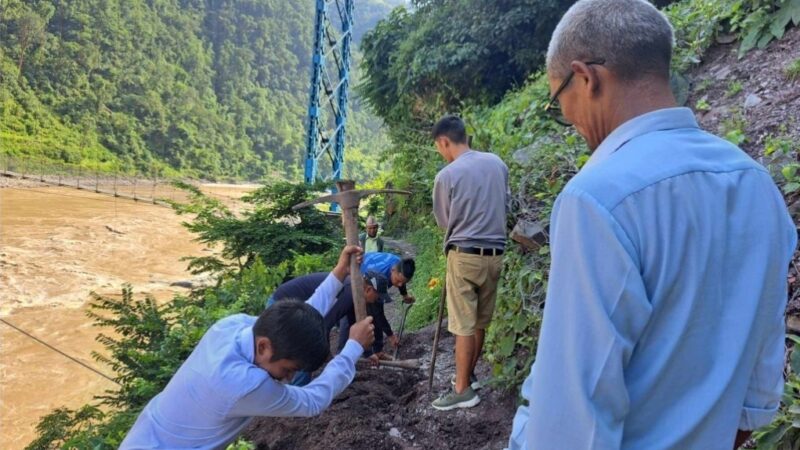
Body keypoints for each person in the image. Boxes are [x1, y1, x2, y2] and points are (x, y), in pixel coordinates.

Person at [506, 0, 797, 448]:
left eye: (559, 99)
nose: (569, 120)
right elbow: (756, 397)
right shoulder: (756, 184)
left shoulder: (598, 198)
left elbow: (573, 422)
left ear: (586, 78)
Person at [120, 246, 375, 450]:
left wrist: (339, 273)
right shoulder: (244, 384)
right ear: (264, 347)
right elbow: (312, 401)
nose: (288, 378)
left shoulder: (234, 326)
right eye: (287, 369)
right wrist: (352, 349)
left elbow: (299, 319)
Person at [430, 115, 509, 410]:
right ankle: (470, 374)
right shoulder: (497, 164)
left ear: (444, 141)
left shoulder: (447, 176)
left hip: (464, 256)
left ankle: (462, 389)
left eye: (439, 147)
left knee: (462, 324)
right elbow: (506, 204)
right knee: (479, 322)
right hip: (496, 255)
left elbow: (444, 220)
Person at [270, 270, 395, 378]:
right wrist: (327, 356)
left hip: (296, 308)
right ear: (368, 289)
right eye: (378, 296)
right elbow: (323, 324)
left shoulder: (355, 293)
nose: (377, 300)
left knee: (299, 358)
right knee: (302, 356)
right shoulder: (349, 292)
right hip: (282, 305)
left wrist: (368, 353)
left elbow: (354, 325)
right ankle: (298, 399)